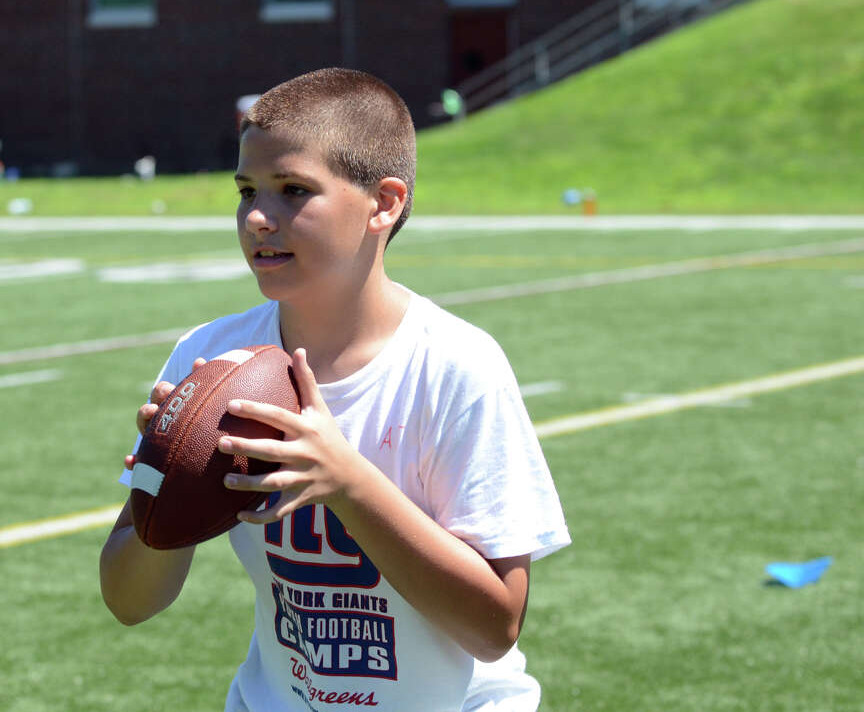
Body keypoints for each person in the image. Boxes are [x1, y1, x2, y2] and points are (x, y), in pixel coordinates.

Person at [100, 68, 570, 711]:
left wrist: (348, 482)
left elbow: (495, 629)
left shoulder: (455, 365)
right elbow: (127, 603)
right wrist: (170, 488)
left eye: (294, 190)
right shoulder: (209, 359)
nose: (259, 217)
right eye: (246, 190)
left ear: (384, 203)